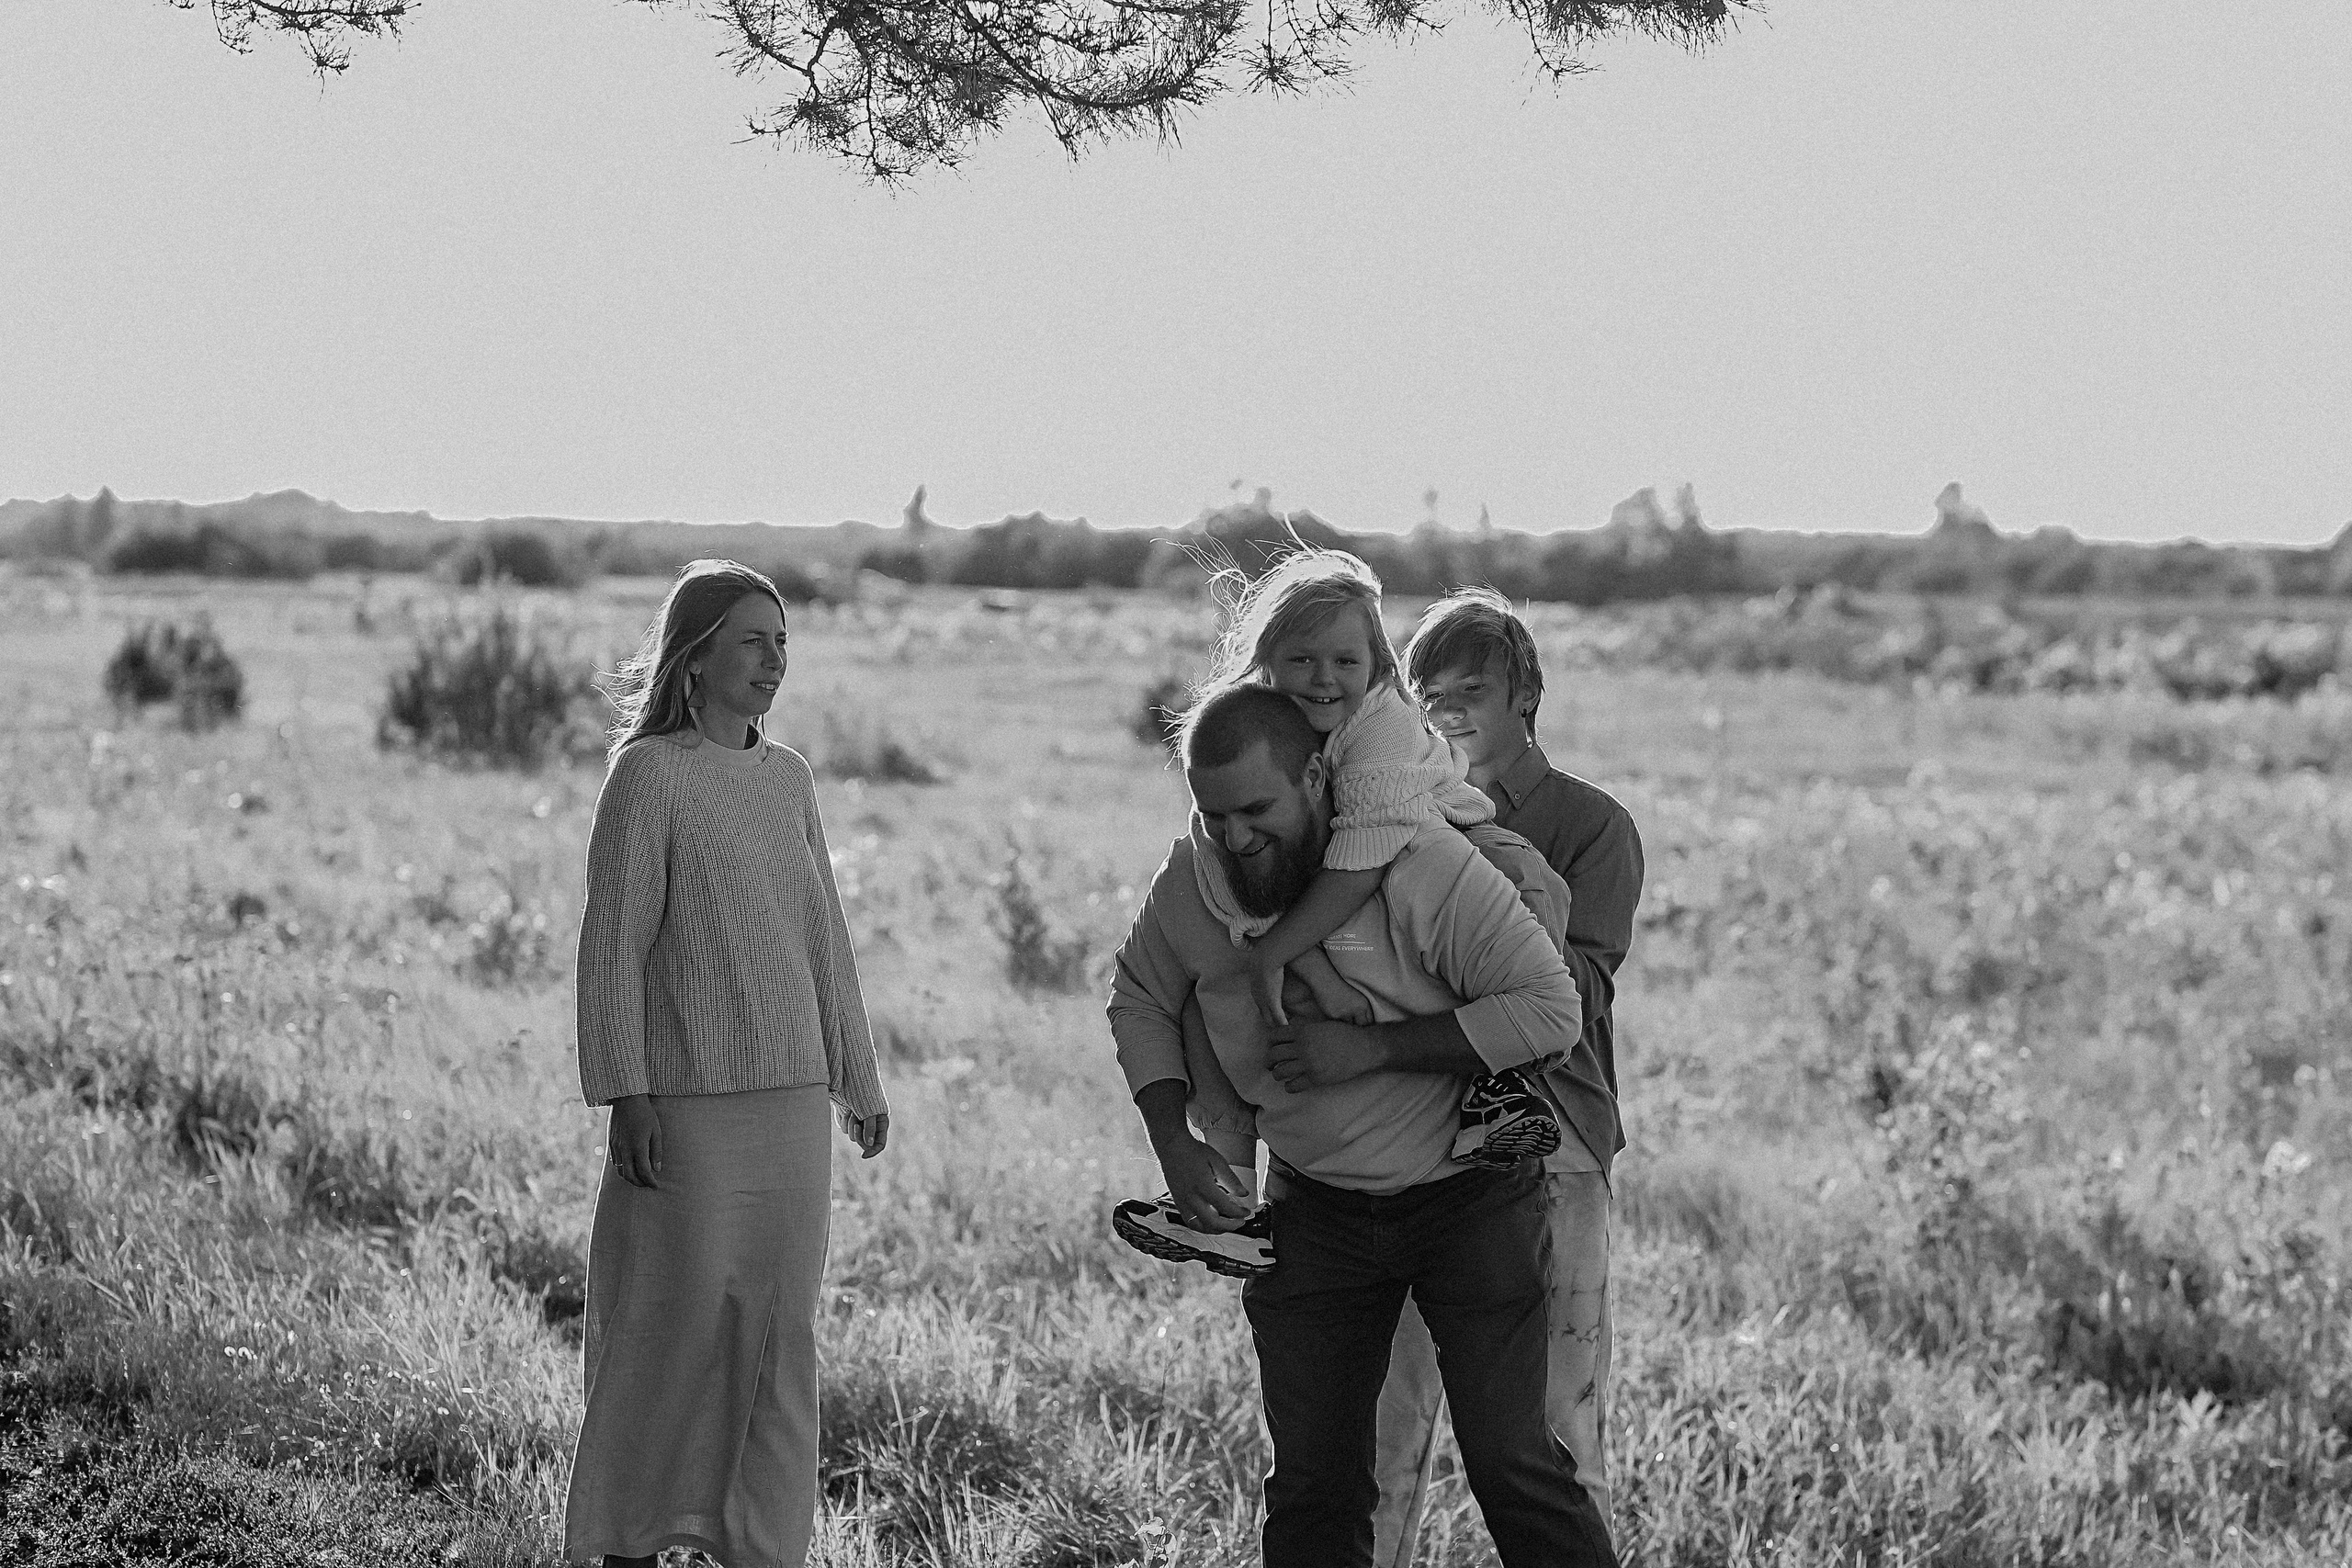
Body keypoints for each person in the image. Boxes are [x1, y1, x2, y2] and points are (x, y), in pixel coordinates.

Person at [1107, 682, 1618, 1568]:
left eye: (1257, 809)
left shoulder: (1419, 863)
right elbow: (1140, 995)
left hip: (1472, 1203)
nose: (1235, 838)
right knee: (1315, 1484)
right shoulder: (1193, 879)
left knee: (1513, 1465)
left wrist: (1371, 1051)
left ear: (1315, 776)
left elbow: (1549, 1009)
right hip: (1314, 1214)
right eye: (1213, 813)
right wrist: (1173, 1142)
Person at [563, 559, 891, 1568]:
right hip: (689, 1111)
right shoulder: (650, 775)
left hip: (791, 1106)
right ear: (694, 658)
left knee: (778, 1343)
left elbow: (822, 936)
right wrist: (626, 1091)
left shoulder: (787, 778)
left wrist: (858, 1077)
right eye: (752, 640)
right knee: (672, 1327)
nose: (773, 660)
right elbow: (614, 944)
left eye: (783, 642)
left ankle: (758, 1547)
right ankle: (626, 1539)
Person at [1120, 549, 1560, 1246]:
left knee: (1536, 889)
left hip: (1440, 819)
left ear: (1376, 664)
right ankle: (1229, 1202)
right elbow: (1170, 969)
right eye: (1301, 661)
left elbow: (1356, 860)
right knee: (1207, 995)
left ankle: (1500, 1090)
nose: (1324, 678)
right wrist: (1173, 1137)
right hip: (1316, 1189)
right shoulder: (1259, 762)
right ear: (1269, 662)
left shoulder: (1381, 736)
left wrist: (1278, 959)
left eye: (1345, 662)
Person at [1367, 585, 1646, 1561]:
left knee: (1558, 1428)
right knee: (1380, 1435)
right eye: (1424, 692)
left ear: (1526, 695)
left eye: (1471, 690)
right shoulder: (1388, 814)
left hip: (1553, 1151)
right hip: (1403, 1147)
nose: (1446, 713)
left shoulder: (1587, 825)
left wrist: (1493, 875)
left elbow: (1569, 1007)